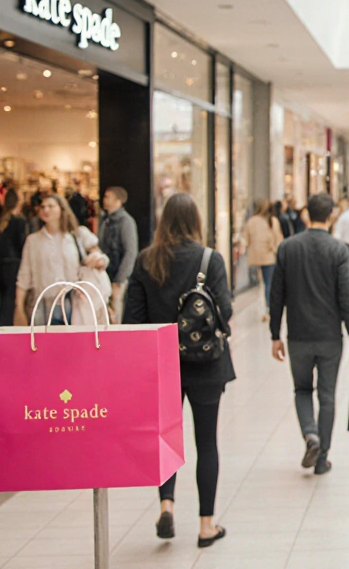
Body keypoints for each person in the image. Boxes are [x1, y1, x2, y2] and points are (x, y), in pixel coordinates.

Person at [124, 193, 232, 548]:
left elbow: (132, 321)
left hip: (162, 365)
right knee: (207, 443)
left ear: (163, 221)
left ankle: (167, 505)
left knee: (166, 438)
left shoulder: (146, 261)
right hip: (206, 364)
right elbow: (226, 312)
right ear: (195, 220)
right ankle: (206, 526)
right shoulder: (210, 259)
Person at [270, 194, 349, 476]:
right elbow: (346, 298)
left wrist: (275, 334)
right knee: (327, 396)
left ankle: (310, 435)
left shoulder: (287, 248)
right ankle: (322, 458)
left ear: (306, 214)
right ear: (332, 215)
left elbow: (276, 296)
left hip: (297, 335)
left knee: (301, 389)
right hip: (330, 336)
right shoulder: (338, 250)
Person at [16, 194, 108, 325]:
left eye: (51, 206)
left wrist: (96, 261)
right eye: (43, 207)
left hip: (74, 302)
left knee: (74, 343)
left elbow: (99, 256)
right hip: (43, 303)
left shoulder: (78, 234)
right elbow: (24, 274)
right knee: (44, 344)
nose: (46, 210)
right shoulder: (33, 240)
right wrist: (19, 306)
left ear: (61, 209)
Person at [98, 186, 139, 323]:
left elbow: (130, 251)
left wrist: (121, 278)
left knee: (116, 311)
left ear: (118, 200)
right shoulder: (105, 221)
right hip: (105, 274)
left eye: (108, 197)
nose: (104, 200)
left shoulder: (126, 221)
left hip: (118, 275)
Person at [240, 199, 283, 321]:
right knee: (269, 283)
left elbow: (246, 239)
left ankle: (266, 307)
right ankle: (269, 308)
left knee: (262, 283)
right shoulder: (272, 221)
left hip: (255, 257)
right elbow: (278, 239)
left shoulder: (251, 221)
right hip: (269, 257)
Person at [0, 190, 26, 326]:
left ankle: (2, 328)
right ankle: (6, 331)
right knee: (9, 302)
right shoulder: (18, 221)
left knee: (3, 301)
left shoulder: (0, 221)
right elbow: (21, 244)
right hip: (12, 266)